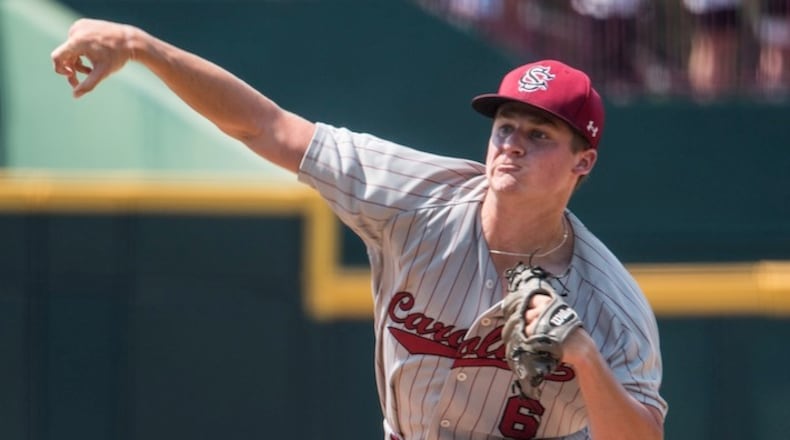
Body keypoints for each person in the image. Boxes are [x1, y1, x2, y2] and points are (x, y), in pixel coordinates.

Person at [51, 18, 667, 440]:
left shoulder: (608, 300)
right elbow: (266, 127)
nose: (512, 146)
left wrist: (584, 358)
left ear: (583, 161)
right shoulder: (416, 199)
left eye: (539, 136)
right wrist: (140, 46)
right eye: (505, 126)